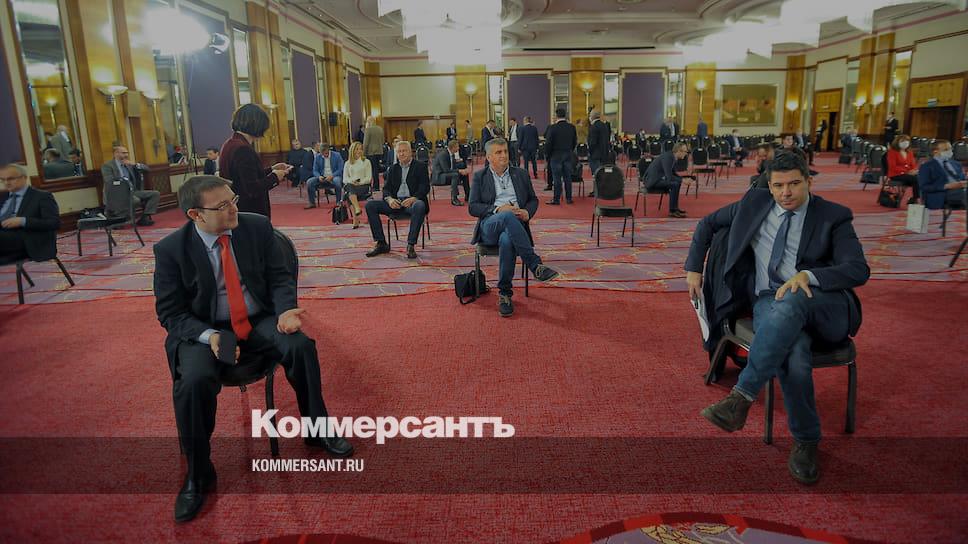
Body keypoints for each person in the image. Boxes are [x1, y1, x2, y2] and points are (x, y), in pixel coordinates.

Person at [153, 175, 353, 523]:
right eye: (223, 206)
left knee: (300, 346)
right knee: (194, 381)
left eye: (233, 199)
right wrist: (209, 337)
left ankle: (318, 429)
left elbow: (280, 277)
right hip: (206, 329)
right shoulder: (171, 250)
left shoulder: (256, 227)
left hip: (258, 319)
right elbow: (170, 313)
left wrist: (285, 310)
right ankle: (198, 472)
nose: (235, 209)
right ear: (195, 215)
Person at [686, 148, 870, 485]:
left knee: (795, 295)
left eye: (794, 184)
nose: (786, 193)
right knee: (793, 355)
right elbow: (706, 224)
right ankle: (807, 441)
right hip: (769, 302)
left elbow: (858, 269)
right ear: (768, 186)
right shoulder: (753, 205)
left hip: (823, 305)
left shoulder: (833, 216)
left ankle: (742, 396)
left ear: (808, 182)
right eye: (778, 185)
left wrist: (809, 276)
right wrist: (693, 269)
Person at [468, 138, 560, 317]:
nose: (504, 155)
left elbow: (533, 200)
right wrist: (497, 209)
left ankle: (504, 294)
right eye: (498, 152)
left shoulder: (521, 174)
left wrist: (527, 212)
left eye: (505, 151)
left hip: (515, 226)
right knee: (507, 216)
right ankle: (535, 265)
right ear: (489, 157)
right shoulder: (480, 176)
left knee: (507, 240)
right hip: (490, 225)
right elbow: (473, 207)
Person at [218, 103, 291, 219]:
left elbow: (245, 176)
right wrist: (275, 177)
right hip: (250, 211)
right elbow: (252, 189)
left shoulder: (230, 143)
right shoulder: (243, 149)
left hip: (238, 207)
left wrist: (271, 169)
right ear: (257, 125)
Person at [364, 140, 428, 259]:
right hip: (396, 203)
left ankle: (410, 245)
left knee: (420, 205)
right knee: (370, 205)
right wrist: (389, 200)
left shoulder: (420, 166)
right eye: (399, 152)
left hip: (412, 203)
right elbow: (386, 189)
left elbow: (424, 187)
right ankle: (381, 243)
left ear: (410, 152)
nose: (401, 154)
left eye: (404, 151)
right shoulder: (393, 169)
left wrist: (413, 198)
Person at [0, 163, 60, 264]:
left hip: (29, 240)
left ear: (24, 178)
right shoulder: (3, 197)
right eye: (2, 180)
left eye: (10, 179)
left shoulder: (42, 196)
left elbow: (54, 223)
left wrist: (23, 221)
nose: (6, 183)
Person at [101, 145, 161, 226]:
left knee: (155, 194)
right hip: (117, 193)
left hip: (132, 191)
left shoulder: (129, 164)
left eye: (127, 153)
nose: (126, 155)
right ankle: (121, 218)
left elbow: (147, 169)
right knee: (135, 200)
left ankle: (144, 217)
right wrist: (123, 182)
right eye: (123, 153)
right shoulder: (108, 165)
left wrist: (135, 164)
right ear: (116, 154)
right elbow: (109, 181)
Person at [917, 139, 966, 212]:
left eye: (950, 149)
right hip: (942, 193)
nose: (950, 152)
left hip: (959, 189)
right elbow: (924, 187)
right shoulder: (927, 166)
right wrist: (946, 186)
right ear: (935, 151)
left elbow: (962, 179)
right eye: (946, 149)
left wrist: (964, 183)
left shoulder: (956, 164)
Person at [643, 142, 690, 218]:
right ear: (679, 151)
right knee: (675, 184)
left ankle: (675, 209)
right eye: (685, 151)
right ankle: (672, 211)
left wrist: (683, 179)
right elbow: (669, 177)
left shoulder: (672, 157)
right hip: (652, 181)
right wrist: (683, 180)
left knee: (677, 183)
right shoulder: (668, 157)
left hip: (658, 179)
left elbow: (673, 174)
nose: (686, 154)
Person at [545, 107, 577, 205]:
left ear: (556, 116)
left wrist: (547, 155)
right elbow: (574, 141)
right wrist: (570, 150)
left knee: (557, 178)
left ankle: (556, 199)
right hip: (568, 154)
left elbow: (548, 143)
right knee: (568, 177)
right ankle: (569, 198)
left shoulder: (552, 127)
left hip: (555, 155)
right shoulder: (571, 127)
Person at [342, 142, 373, 228]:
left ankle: (355, 218)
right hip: (351, 185)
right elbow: (345, 179)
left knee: (349, 193)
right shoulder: (348, 163)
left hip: (363, 186)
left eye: (361, 149)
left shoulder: (366, 162)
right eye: (357, 149)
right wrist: (352, 181)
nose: (359, 151)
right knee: (349, 188)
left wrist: (360, 182)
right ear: (352, 150)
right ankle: (357, 209)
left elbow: (369, 178)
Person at [305, 143, 344, 209]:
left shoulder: (337, 155)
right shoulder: (318, 157)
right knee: (309, 182)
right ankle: (312, 203)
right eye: (322, 154)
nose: (324, 155)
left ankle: (338, 202)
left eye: (325, 153)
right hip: (322, 177)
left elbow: (340, 169)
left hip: (334, 176)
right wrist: (318, 176)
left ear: (328, 150)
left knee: (337, 182)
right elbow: (315, 170)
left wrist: (332, 176)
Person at [433, 140, 470, 206]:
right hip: (439, 176)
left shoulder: (452, 154)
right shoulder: (443, 154)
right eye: (457, 147)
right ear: (453, 147)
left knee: (464, 174)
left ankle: (468, 195)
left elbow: (453, 167)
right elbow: (446, 170)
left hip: (446, 175)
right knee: (455, 175)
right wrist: (460, 171)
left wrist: (463, 171)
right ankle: (454, 199)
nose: (459, 148)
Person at [886, 134, 921, 204]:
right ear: (897, 142)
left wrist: (914, 170)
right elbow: (893, 166)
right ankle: (915, 199)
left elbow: (913, 165)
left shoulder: (909, 152)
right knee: (916, 179)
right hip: (896, 174)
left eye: (907, 141)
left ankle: (916, 198)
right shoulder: (892, 152)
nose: (905, 143)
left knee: (921, 177)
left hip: (908, 174)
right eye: (903, 141)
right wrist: (907, 171)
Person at [362, 116, 385, 191]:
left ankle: (373, 186)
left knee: (371, 170)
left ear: (369, 122)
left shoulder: (368, 130)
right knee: (376, 169)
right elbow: (383, 140)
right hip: (379, 151)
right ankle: (376, 186)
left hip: (370, 152)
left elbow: (365, 143)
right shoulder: (380, 129)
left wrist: (363, 153)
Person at [587, 110, 611, 179]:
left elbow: (592, 142)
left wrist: (589, 151)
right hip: (604, 153)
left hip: (595, 154)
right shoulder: (604, 125)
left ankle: (597, 186)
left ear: (592, 116)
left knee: (596, 175)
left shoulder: (594, 127)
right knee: (602, 174)